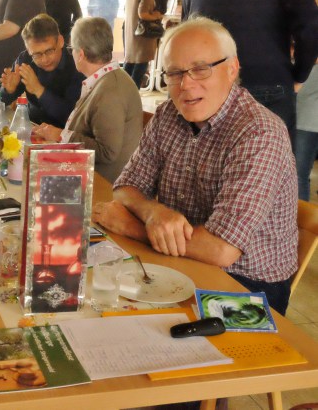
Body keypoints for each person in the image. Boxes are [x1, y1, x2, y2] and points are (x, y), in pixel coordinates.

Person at [93, 17, 298, 315]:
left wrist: (133, 226)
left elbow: (221, 249)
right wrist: (153, 212)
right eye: (175, 73)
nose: (186, 84)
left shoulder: (259, 133)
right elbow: (126, 187)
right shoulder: (168, 114)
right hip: (181, 261)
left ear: (232, 69)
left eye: (201, 69)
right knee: (96, 300)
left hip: (246, 286)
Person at [182, 0, 318, 150]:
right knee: (272, 165)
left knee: (210, 164)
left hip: (209, 87)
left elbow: (185, 36)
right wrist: (299, 76)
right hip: (268, 82)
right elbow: (310, 30)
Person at [32, 17, 142, 182]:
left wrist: (60, 135)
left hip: (101, 183)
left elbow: (107, 152)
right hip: (86, 171)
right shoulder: (106, 79)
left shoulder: (111, 90)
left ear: (81, 54)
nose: (72, 53)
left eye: (72, 49)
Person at [0, 13, 85, 128]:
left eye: (49, 51)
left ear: (60, 41)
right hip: (30, 127)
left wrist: (39, 90)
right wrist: (8, 91)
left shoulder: (77, 65)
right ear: (28, 49)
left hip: (62, 133)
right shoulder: (25, 59)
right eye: (37, 54)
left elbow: (73, 117)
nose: (44, 60)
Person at [296, 0, 318, 201]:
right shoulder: (305, 10)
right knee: (299, 171)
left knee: (299, 172)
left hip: (310, 103)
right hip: (305, 100)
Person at [123, 0, 163, 89]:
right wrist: (156, 16)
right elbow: (143, 14)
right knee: (138, 73)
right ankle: (132, 97)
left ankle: (122, 94)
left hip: (131, 36)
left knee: (128, 69)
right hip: (142, 39)